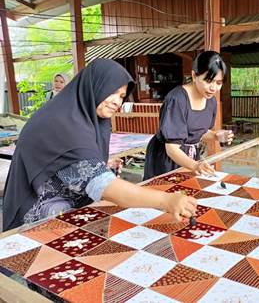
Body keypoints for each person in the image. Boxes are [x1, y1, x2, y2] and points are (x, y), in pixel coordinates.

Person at [2, 59, 196, 231]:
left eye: (121, 96)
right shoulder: (61, 124)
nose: (116, 102)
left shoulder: (81, 115)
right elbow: (103, 186)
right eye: (111, 92)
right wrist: (166, 200)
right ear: (94, 86)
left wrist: (99, 164)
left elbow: (68, 162)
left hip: (63, 208)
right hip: (36, 219)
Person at [143, 51, 233, 180]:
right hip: (168, 160)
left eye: (218, 83)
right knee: (166, 196)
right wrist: (195, 165)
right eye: (208, 81)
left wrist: (215, 136)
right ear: (194, 75)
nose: (213, 88)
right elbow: (171, 149)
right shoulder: (177, 100)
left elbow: (196, 133)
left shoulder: (211, 101)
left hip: (190, 159)